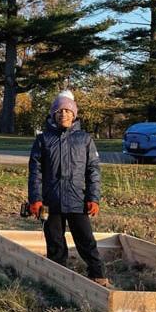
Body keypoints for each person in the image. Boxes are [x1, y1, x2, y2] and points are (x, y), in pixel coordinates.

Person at [28, 90, 109, 286]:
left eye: (67, 111)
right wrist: (35, 199)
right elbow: (35, 172)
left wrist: (93, 198)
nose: (63, 114)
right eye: (59, 111)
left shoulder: (85, 139)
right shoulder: (43, 140)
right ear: (53, 115)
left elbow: (93, 171)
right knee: (55, 243)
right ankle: (58, 280)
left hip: (77, 200)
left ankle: (98, 276)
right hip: (50, 202)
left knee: (86, 241)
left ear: (74, 114)